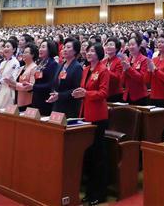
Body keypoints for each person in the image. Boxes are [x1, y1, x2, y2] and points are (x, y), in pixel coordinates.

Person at [73, 43, 110, 205]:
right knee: (87, 155)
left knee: (98, 156)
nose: (89, 53)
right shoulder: (86, 69)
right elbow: (83, 89)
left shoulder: (103, 70)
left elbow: (103, 93)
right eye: (88, 51)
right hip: (85, 114)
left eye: (93, 51)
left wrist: (86, 93)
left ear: (99, 54)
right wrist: (79, 93)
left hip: (98, 116)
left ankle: (99, 193)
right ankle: (89, 192)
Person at [47, 38, 84, 118]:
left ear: (75, 51)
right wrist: (53, 94)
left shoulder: (77, 67)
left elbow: (76, 89)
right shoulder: (61, 65)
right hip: (57, 105)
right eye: (64, 47)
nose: (65, 50)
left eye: (68, 47)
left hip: (69, 107)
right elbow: (55, 83)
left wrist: (59, 95)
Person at [121, 33, 151, 105]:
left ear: (139, 46)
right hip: (127, 95)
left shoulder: (144, 60)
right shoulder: (127, 60)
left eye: (133, 44)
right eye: (129, 45)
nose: (131, 47)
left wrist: (129, 68)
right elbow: (122, 81)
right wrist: (124, 71)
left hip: (140, 96)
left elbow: (142, 79)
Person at [32, 40, 60, 116]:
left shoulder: (53, 64)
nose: (40, 49)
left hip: (46, 99)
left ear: (50, 49)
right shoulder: (41, 63)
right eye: (40, 47)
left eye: (43, 47)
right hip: (36, 98)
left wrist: (33, 87)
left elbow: (51, 84)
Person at [0, 40, 21, 109]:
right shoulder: (2, 63)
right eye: (5, 47)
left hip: (9, 90)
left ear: (14, 49)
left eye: (8, 47)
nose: (5, 48)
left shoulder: (15, 63)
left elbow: (12, 79)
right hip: (0, 89)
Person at [12, 45, 38, 111]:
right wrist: (10, 83)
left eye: (26, 52)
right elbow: (15, 83)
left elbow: (30, 86)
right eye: (23, 52)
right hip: (17, 99)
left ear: (32, 55)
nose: (23, 54)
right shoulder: (21, 68)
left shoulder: (34, 67)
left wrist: (15, 84)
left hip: (27, 102)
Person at [103, 36, 124, 102]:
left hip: (115, 93)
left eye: (111, 45)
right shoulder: (103, 62)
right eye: (107, 45)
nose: (108, 47)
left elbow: (118, 78)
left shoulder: (119, 62)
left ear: (116, 48)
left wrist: (106, 71)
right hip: (105, 92)